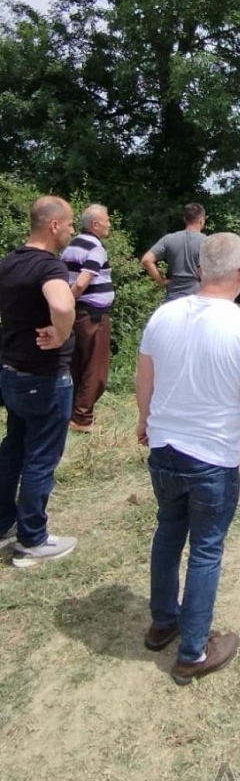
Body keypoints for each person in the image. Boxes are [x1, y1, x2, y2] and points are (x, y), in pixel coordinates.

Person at [136, 231, 240, 686]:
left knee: (167, 533)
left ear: (200, 270)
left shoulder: (163, 316)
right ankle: (193, 652)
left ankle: (164, 621)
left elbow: (144, 379)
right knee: (205, 549)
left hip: (164, 451)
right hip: (211, 461)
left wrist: (145, 422)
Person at [0, 196, 78, 567]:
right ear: (53, 226)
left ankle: (4, 523)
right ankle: (32, 540)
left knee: (13, 450)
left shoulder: (10, 262)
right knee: (40, 458)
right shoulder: (48, 266)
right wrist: (61, 335)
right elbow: (62, 305)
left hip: (12, 373)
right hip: (44, 378)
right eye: (70, 224)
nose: (71, 230)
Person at [61, 204, 114, 431]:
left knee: (75, 365)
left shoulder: (70, 247)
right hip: (93, 316)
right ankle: (82, 418)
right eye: (106, 220)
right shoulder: (95, 248)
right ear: (95, 224)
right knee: (95, 368)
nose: (109, 224)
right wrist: (68, 302)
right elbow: (82, 282)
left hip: (77, 316)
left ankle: (70, 411)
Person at [141, 203, 206, 301]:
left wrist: (162, 281)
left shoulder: (169, 239)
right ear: (202, 220)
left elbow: (146, 260)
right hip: (197, 296)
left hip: (173, 296)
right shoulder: (207, 242)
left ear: (185, 219)